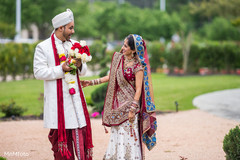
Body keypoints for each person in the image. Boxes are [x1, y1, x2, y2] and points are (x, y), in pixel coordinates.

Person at [83, 34, 157, 160]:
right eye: (123, 44)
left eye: (125, 46)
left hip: (130, 109)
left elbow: (139, 89)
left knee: (128, 138)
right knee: (117, 137)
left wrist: (132, 109)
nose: (122, 48)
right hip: (117, 106)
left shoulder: (138, 67)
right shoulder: (119, 60)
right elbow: (111, 77)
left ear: (133, 50)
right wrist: (92, 82)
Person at [33, 9, 93, 160]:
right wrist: (61, 69)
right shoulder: (43, 47)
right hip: (57, 106)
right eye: (70, 27)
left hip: (76, 104)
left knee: (81, 145)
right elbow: (39, 72)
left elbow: (84, 71)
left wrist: (80, 65)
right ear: (61, 28)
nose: (73, 31)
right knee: (62, 152)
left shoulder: (76, 45)